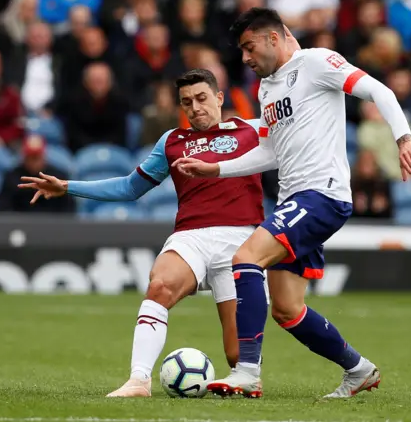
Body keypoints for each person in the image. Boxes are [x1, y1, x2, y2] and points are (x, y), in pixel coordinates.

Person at [173, 7, 411, 399]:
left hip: (322, 194)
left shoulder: (316, 62)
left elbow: (380, 90)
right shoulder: (267, 89)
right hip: (295, 200)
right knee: (287, 310)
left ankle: (247, 372)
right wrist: (216, 169)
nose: (244, 58)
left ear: (274, 38)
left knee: (245, 259)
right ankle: (359, 370)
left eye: (248, 47)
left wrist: (403, 139)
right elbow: (271, 152)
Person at [17, 68, 267, 398]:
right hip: (191, 236)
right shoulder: (173, 141)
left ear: (220, 98)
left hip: (240, 243)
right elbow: (130, 187)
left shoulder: (254, 131)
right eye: (186, 102)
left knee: (238, 355)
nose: (195, 107)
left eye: (202, 98)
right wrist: (68, 186)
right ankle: (139, 381)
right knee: (160, 285)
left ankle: (246, 375)